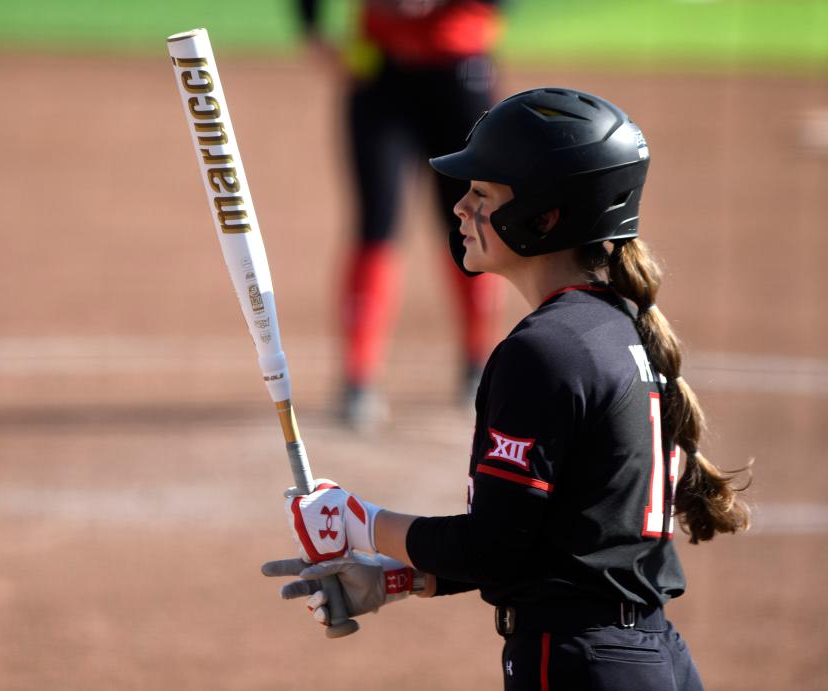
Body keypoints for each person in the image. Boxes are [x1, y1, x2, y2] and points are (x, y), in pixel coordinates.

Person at [264, 87, 752, 689]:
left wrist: (358, 519)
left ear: (544, 218)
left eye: (482, 195)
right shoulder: (616, 329)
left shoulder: (543, 352)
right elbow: (554, 537)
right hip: (650, 658)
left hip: (579, 666)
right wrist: (401, 576)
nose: (459, 208)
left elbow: (492, 546)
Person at [294, 0, 509, 429]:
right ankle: (358, 379)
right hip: (381, 76)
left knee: (468, 221)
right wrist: (313, 29)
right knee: (376, 224)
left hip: (460, 72)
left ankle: (477, 364)